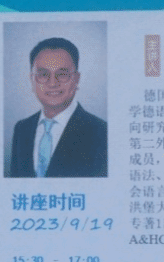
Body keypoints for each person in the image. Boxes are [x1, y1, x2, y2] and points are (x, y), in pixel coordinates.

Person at [9, 37, 107, 178]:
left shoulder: (101, 132)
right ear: (32, 80)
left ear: (76, 79)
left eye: (62, 74)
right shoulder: (22, 129)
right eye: (43, 74)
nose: (53, 83)